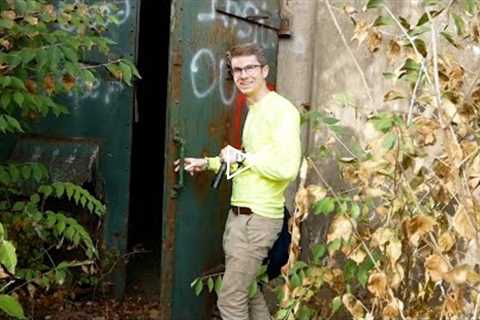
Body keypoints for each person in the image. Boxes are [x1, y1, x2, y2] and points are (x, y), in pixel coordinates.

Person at [175, 43, 301, 320]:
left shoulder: (281, 111)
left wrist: (243, 159)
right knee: (248, 291)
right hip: (241, 218)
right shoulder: (255, 110)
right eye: (237, 70)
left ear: (264, 70)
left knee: (231, 300)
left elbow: (286, 167)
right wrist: (207, 163)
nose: (243, 75)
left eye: (250, 68)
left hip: (257, 220)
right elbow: (250, 160)